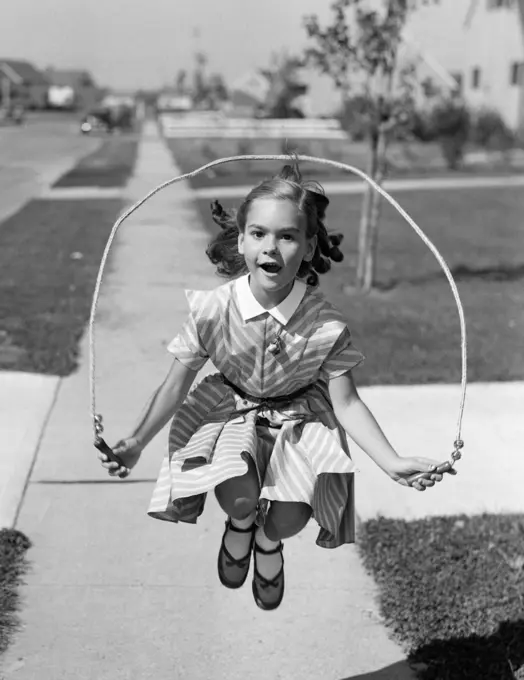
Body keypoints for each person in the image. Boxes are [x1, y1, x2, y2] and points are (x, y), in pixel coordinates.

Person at [98, 163, 454, 611]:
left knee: (289, 518)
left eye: (287, 236)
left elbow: (347, 404)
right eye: (260, 234)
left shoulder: (325, 325)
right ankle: (241, 523)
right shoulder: (213, 310)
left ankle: (268, 542)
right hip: (230, 412)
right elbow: (174, 386)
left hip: (300, 420)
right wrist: (134, 443)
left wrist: (391, 461)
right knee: (238, 491)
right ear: (242, 240)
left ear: (308, 247)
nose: (272, 246)